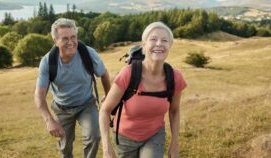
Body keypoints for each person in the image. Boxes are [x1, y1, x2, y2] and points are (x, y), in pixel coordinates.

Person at [99, 21, 187, 158]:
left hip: (154, 134)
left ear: (169, 46)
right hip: (124, 137)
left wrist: (175, 144)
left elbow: (174, 111)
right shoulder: (128, 73)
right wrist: (106, 149)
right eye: (153, 39)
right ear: (144, 44)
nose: (159, 44)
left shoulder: (175, 77)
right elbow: (105, 110)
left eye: (164, 40)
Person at [34, 18, 111, 158]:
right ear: (55, 41)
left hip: (86, 104)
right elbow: (39, 96)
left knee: (94, 136)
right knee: (65, 147)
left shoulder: (88, 53)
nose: (71, 42)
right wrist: (49, 120)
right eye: (65, 39)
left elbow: (104, 75)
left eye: (73, 37)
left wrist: (108, 97)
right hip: (62, 108)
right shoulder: (47, 62)